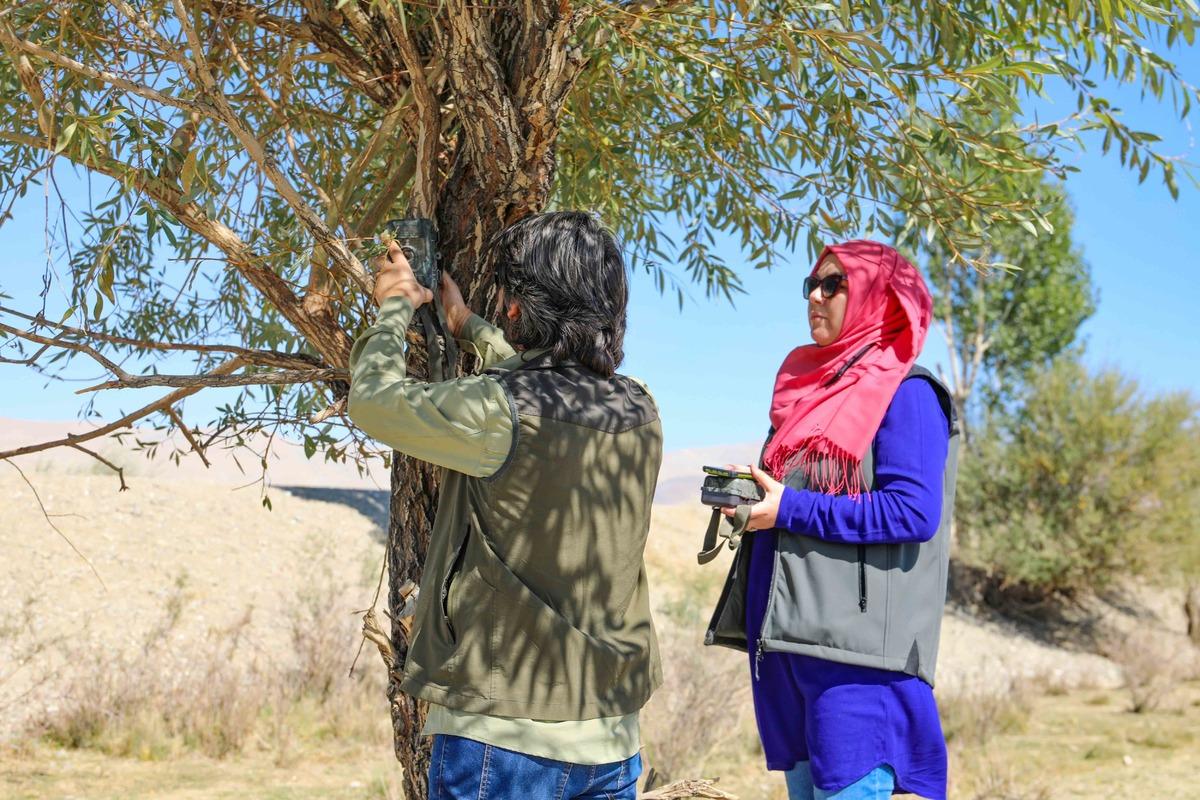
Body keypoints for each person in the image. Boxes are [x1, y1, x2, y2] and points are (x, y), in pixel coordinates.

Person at [348, 211, 662, 799]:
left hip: (504, 741)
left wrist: (392, 306)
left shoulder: (501, 411)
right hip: (612, 739)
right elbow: (541, 395)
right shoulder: (639, 409)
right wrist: (468, 326)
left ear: (518, 306)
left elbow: (374, 402)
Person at [705, 240, 959, 800]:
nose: (814, 297)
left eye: (833, 284)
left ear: (877, 296)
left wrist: (788, 507)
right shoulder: (809, 397)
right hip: (792, 652)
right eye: (810, 286)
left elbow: (913, 511)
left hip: (857, 668)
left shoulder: (908, 394)